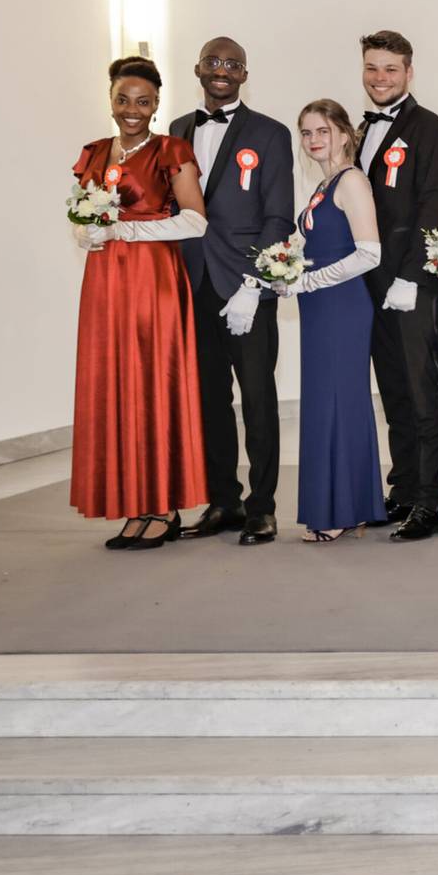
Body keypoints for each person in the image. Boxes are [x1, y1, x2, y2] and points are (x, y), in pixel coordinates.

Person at [68, 56, 209, 549]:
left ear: (156, 105)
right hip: (106, 283)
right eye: (123, 100)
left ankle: (163, 507)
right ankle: (133, 505)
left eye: (143, 102)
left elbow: (196, 221)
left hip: (153, 281)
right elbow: (83, 217)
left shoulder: (171, 150)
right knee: (115, 381)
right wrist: (87, 233)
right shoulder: (95, 152)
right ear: (110, 100)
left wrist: (126, 229)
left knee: (152, 381)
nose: (132, 110)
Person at [168, 37, 293, 546]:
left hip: (245, 287)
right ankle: (224, 500)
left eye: (233, 65)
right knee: (210, 400)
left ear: (245, 74)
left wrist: (253, 285)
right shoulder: (177, 130)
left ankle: (262, 507)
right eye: (214, 63)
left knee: (259, 398)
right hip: (192, 282)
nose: (222, 71)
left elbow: (278, 214)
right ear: (198, 69)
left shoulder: (270, 133)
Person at [268, 101, 384, 541]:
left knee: (338, 402)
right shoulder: (325, 184)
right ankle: (349, 505)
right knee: (329, 402)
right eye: (305, 132)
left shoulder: (351, 181)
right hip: (320, 306)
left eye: (323, 130)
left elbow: (370, 253)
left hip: (341, 306)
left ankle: (339, 508)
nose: (314, 139)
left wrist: (309, 281)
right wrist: (285, 267)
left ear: (344, 134)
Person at [356, 31, 438, 542]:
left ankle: (430, 501)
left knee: (422, 389)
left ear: (409, 72)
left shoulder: (430, 126)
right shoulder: (359, 128)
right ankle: (404, 486)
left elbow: (432, 204)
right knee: (392, 389)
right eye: (372, 68)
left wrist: (411, 277)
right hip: (369, 285)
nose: (380, 78)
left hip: (413, 283)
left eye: (390, 69)